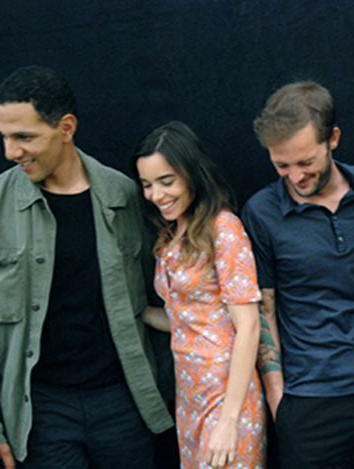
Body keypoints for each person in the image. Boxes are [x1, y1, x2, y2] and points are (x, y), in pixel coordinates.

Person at [0, 65, 173, 469]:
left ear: (66, 127)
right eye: (4, 136)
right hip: (40, 412)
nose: (10, 152)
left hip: (124, 403)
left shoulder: (125, 196)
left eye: (24, 137)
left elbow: (164, 296)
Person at [240, 81, 354, 468]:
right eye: (282, 166)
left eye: (306, 162)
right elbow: (264, 308)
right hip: (309, 401)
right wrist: (278, 400)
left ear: (333, 139)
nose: (295, 177)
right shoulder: (261, 211)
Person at [130, 121, 266, 469]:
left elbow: (249, 327)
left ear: (192, 174)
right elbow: (185, 318)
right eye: (147, 185)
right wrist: (131, 311)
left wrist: (229, 420)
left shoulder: (224, 229)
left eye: (166, 181)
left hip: (227, 396)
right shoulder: (171, 235)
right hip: (189, 396)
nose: (156, 195)